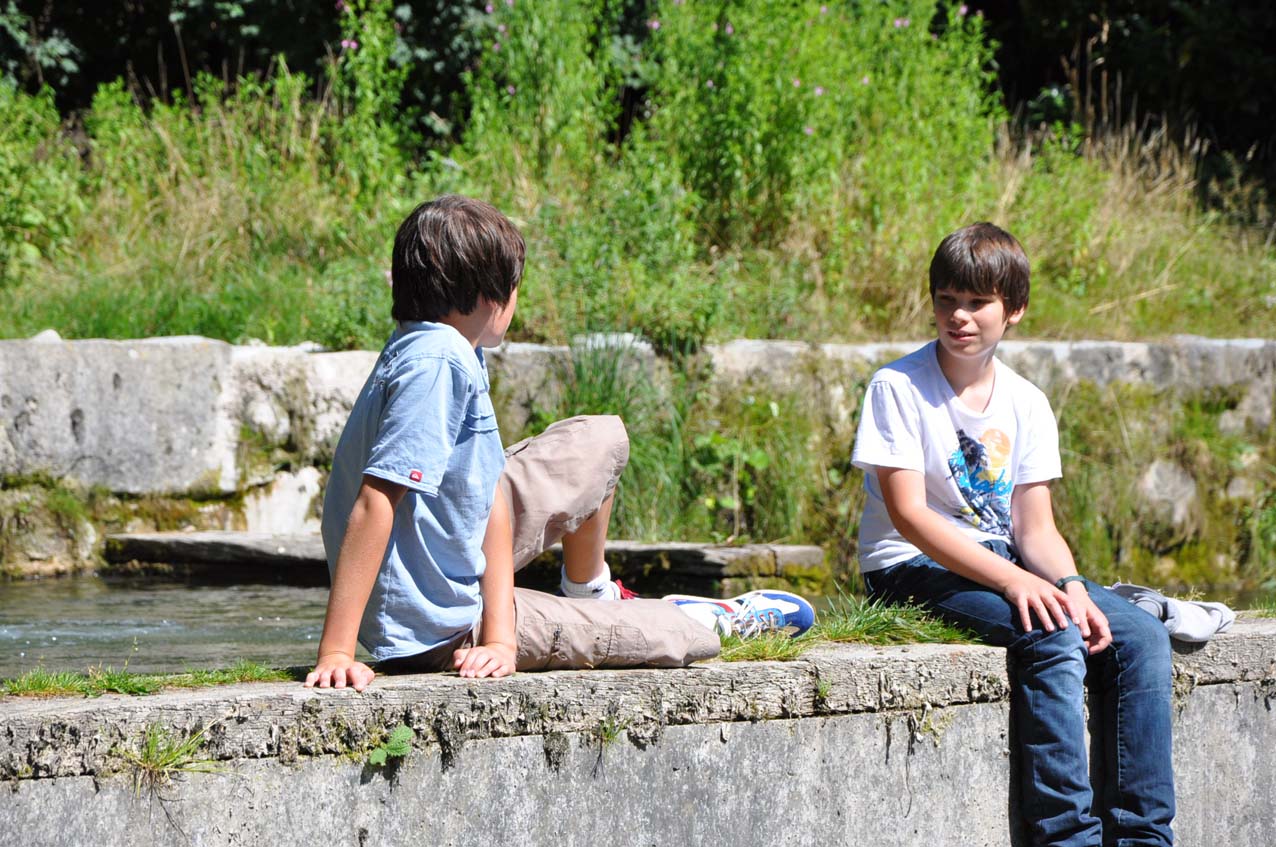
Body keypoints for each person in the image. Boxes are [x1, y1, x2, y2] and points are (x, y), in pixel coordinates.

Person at [305, 194, 814, 692]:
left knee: (600, 439)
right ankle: (705, 618)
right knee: (666, 637)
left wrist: (502, 633)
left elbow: (489, 493)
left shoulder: (450, 345)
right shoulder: (438, 363)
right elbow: (376, 501)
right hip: (439, 627)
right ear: (488, 295)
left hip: (448, 546)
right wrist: (338, 653)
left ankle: (590, 593)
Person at [850, 222, 1174, 846]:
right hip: (909, 565)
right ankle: (1068, 837)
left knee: (1140, 638)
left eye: (978, 302)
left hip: (1004, 558)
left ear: (1014, 309)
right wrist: (1015, 582)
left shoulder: (1027, 401)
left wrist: (1070, 584)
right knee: (1051, 634)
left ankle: (1144, 837)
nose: (959, 316)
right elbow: (909, 516)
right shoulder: (898, 387)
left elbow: (1035, 525)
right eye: (947, 300)